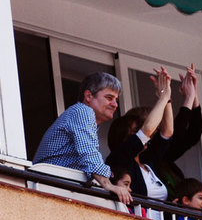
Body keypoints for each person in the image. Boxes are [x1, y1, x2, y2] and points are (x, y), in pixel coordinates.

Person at [32, 72, 131, 203]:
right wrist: (108, 185)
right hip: (49, 186)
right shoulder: (83, 111)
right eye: (109, 97)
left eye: (116, 100)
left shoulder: (85, 116)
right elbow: (88, 153)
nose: (115, 104)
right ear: (89, 96)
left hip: (52, 187)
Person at [105, 66, 173, 220]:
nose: (142, 136)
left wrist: (167, 99)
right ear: (124, 137)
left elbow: (167, 132)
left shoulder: (147, 161)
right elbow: (148, 129)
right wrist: (162, 99)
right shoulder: (119, 158)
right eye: (135, 132)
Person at [156, 64, 202, 201]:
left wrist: (194, 97)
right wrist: (189, 98)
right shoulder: (151, 158)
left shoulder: (166, 160)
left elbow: (193, 135)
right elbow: (175, 136)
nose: (158, 128)